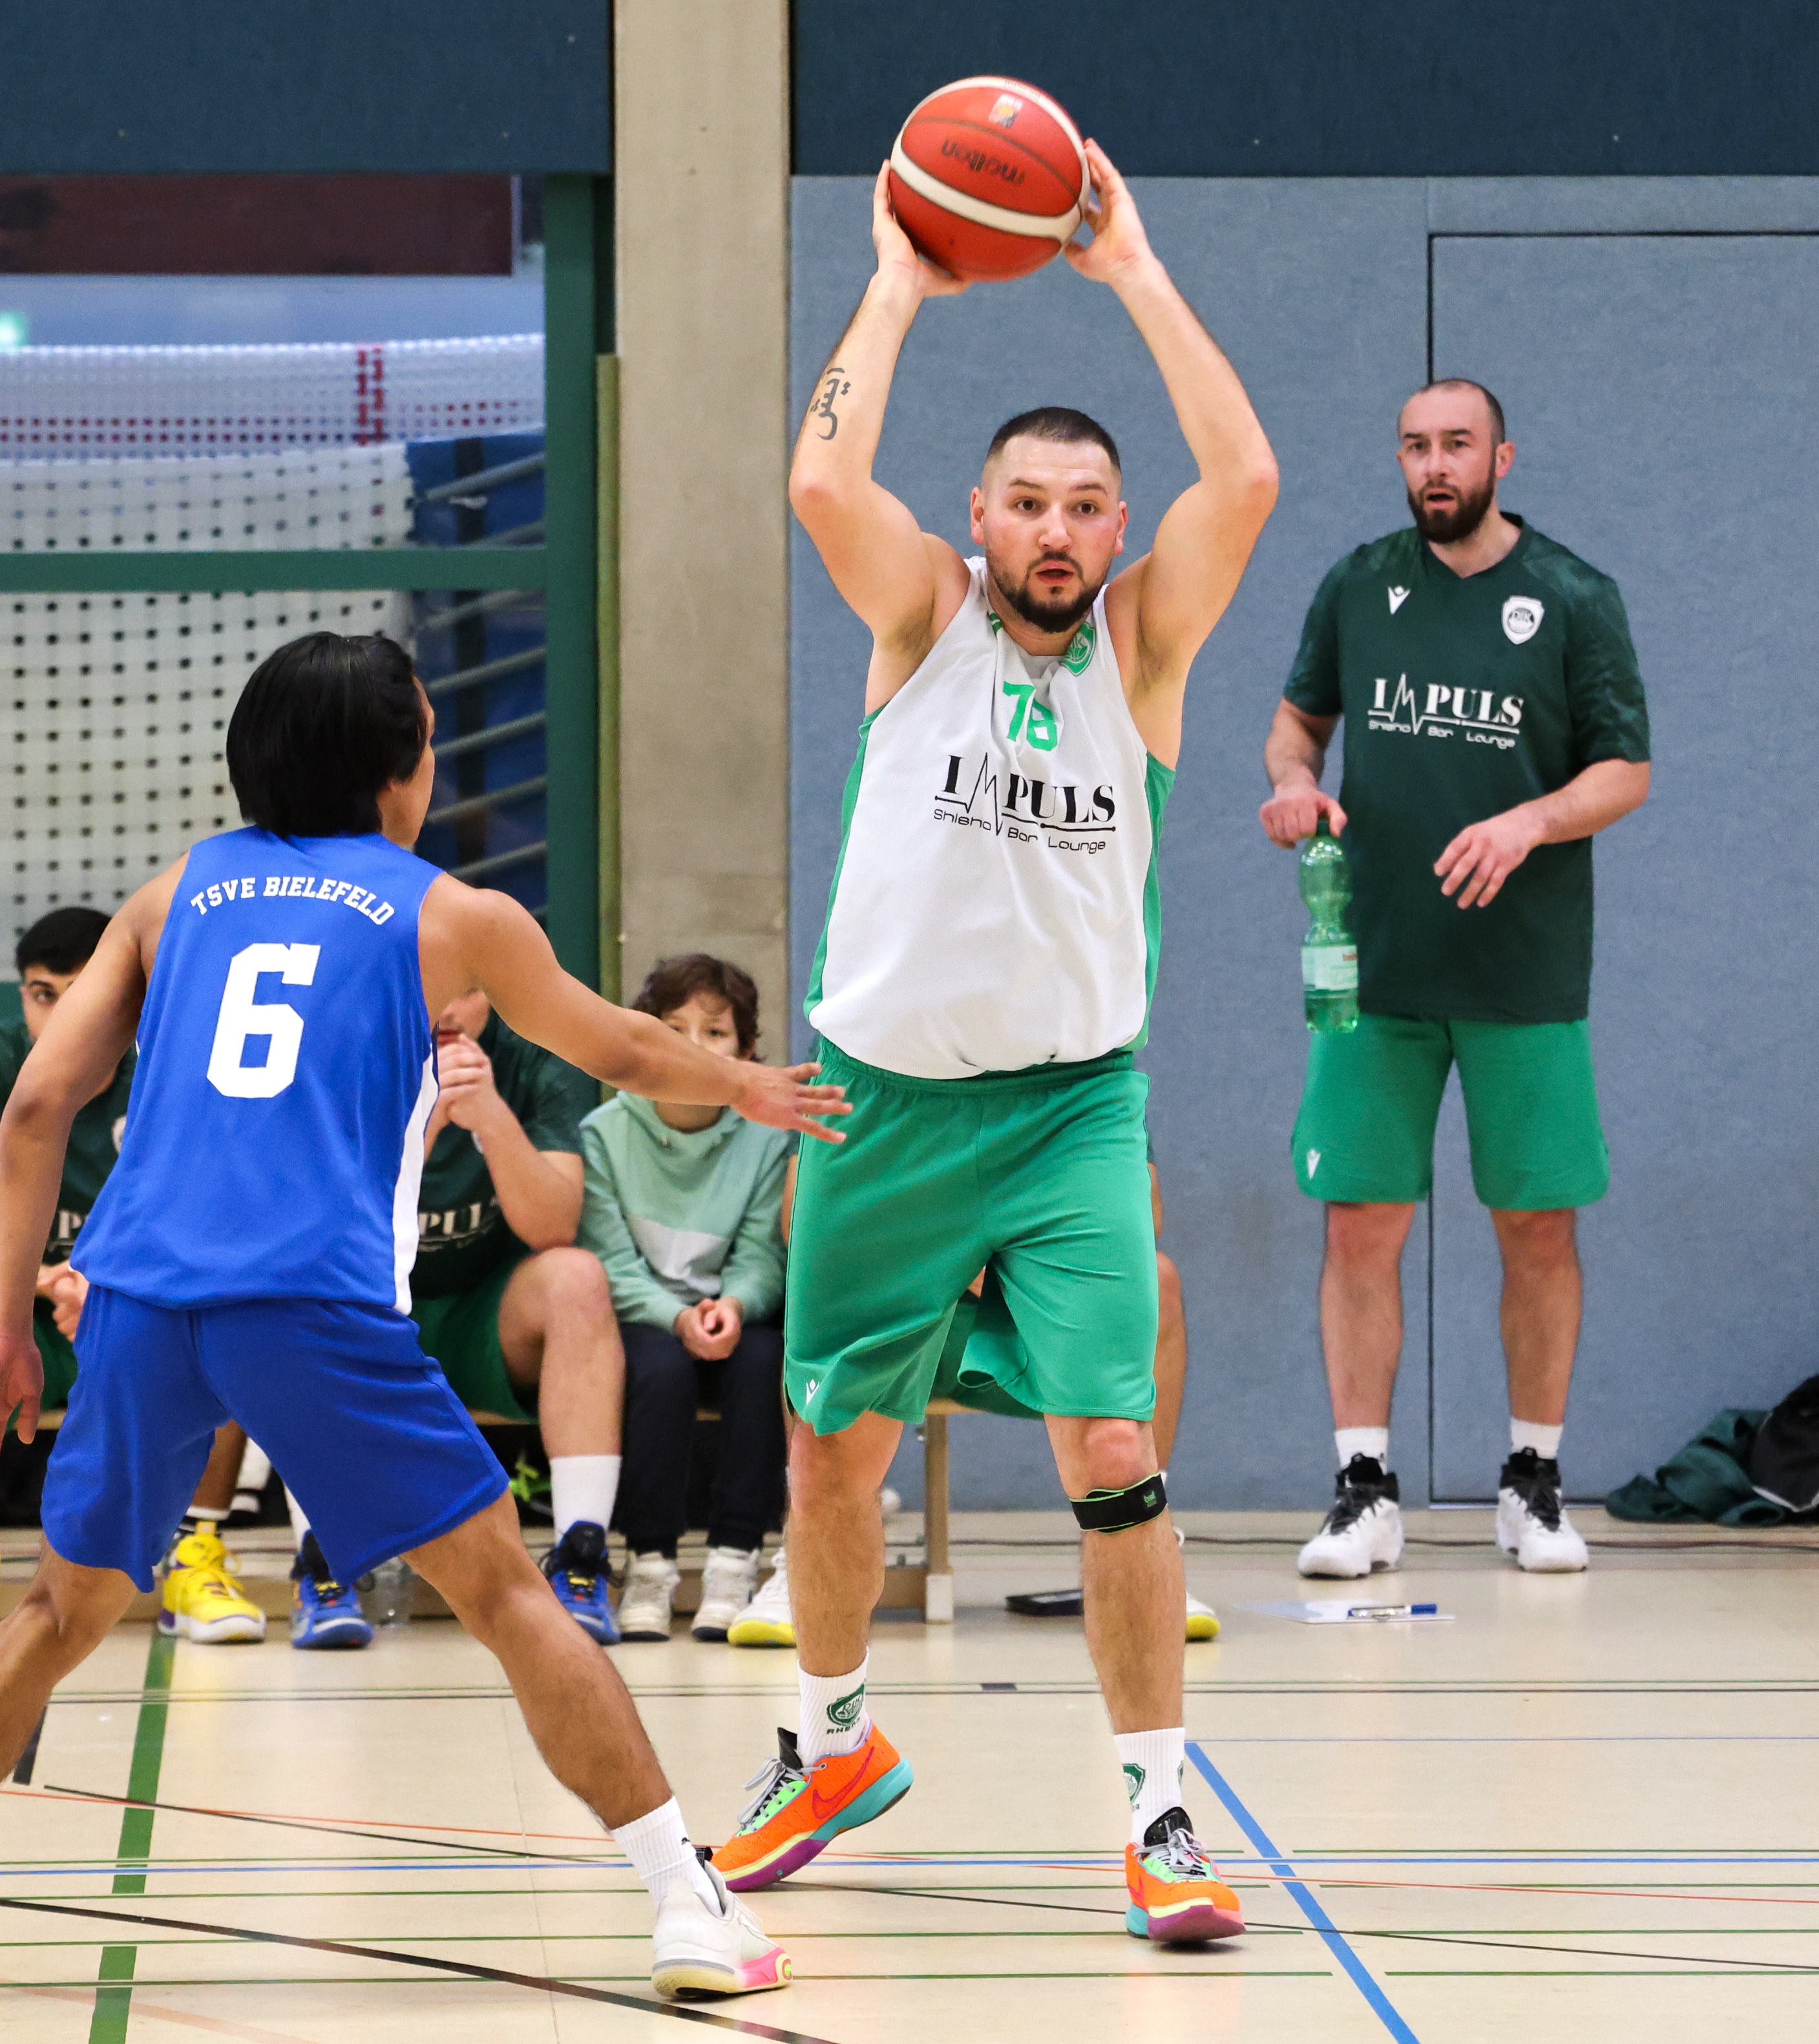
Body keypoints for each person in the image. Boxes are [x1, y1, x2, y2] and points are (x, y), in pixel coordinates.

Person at [0, 631, 840, 2006]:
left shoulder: (174, 893)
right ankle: (687, 1903)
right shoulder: (449, 913)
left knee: (54, 1610)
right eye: (429, 736)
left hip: (141, 1301)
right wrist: (753, 1085)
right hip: (308, 1302)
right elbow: (625, 1046)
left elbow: (39, 1104)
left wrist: (2, 1336)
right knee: (509, 1596)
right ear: (400, 766)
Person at [710, 147, 1276, 1948]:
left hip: (1068, 1114)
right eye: (1026, 501)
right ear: (980, 515)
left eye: (1086, 507)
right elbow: (819, 477)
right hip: (872, 1105)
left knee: (1111, 1440)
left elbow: (1248, 478)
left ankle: (1161, 1812)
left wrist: (1132, 268)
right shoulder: (924, 615)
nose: (1056, 530)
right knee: (831, 1456)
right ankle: (830, 1744)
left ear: (1114, 532)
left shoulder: (1145, 648)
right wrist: (897, 276)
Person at [1260, 376, 1652, 1577]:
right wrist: (1292, 785)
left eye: (1456, 445)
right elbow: (1295, 726)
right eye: (1414, 446)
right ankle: (1362, 1488)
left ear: (1501, 458)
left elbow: (1624, 769)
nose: (1434, 465)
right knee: (1358, 1222)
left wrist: (1530, 821)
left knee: (1536, 1223)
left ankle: (1531, 1480)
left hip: (1522, 971)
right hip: (1371, 966)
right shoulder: (1357, 582)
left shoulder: (1573, 596)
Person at [0, 906, 262, 1648]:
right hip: (30, 1307)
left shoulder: (175, 1062)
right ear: (22, 994)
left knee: (228, 1306)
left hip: (140, 1301)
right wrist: (45, 1281)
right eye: (43, 994)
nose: (59, 1015)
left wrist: (110, 1285)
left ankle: (196, 1556)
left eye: (81, 994)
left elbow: (208, 1227)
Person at [288, 965, 623, 1648]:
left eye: (465, 990)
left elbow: (553, 1226)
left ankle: (580, 1559)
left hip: (482, 1314)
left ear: (490, 993)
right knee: (295, 1294)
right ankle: (324, 1566)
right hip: (370, 1308)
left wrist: (492, 1118)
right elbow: (330, 1225)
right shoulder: (348, 1047)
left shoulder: (531, 1059)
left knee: (577, 1278)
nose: (445, 1009)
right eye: (426, 985)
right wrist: (427, 1122)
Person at [578, 953, 795, 1643]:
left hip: (731, 1316)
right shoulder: (604, 1133)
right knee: (658, 1371)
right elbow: (610, 1262)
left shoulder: (767, 1137)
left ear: (747, 1051)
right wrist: (675, 1316)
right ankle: (650, 1564)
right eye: (673, 1030)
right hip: (646, 1317)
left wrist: (735, 1304)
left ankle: (735, 1563)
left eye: (715, 1032)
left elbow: (763, 1252)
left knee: (764, 1361)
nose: (692, 1048)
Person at [1004, 1163, 1217, 1640]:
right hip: (927, 1300)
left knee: (1156, 1279)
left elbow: (1145, 1208)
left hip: (1044, 1289)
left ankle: (1143, 1534)